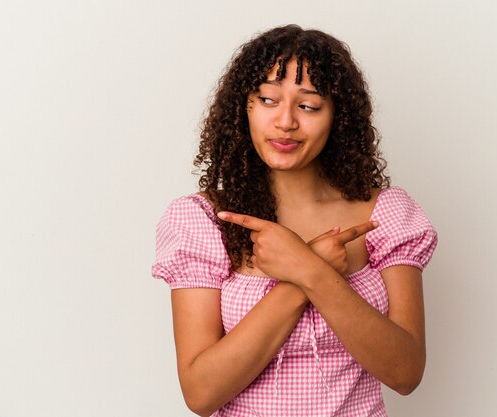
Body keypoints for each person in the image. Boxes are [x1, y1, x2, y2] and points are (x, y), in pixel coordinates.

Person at [151, 24, 438, 417]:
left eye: (308, 106)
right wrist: (302, 275)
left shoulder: (384, 214)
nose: (286, 121)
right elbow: (201, 393)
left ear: (338, 116)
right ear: (244, 107)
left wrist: (311, 271)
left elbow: (406, 372)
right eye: (268, 99)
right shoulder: (204, 220)